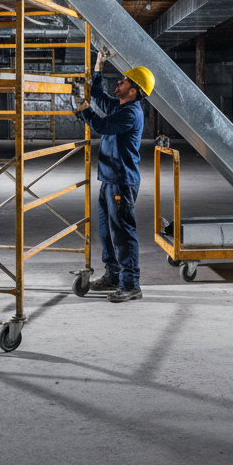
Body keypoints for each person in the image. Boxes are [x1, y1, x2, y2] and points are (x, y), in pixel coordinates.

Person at [75, 49, 155, 303]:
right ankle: (112, 276)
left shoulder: (130, 114)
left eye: (124, 81)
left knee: (122, 232)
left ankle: (131, 284)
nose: (119, 82)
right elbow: (98, 95)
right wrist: (98, 63)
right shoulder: (120, 105)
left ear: (134, 90)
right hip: (109, 180)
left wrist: (83, 109)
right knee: (107, 232)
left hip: (121, 181)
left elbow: (102, 126)